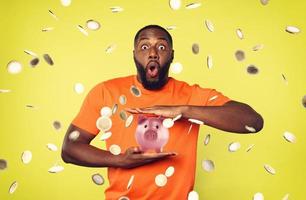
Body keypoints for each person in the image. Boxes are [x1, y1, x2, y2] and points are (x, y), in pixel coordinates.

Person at [61, 24, 264, 200]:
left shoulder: (191, 95)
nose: (152, 53)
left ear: (172, 55)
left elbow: (253, 121)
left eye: (161, 46)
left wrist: (182, 110)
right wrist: (120, 160)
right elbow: (70, 149)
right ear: (134, 55)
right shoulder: (106, 92)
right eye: (144, 46)